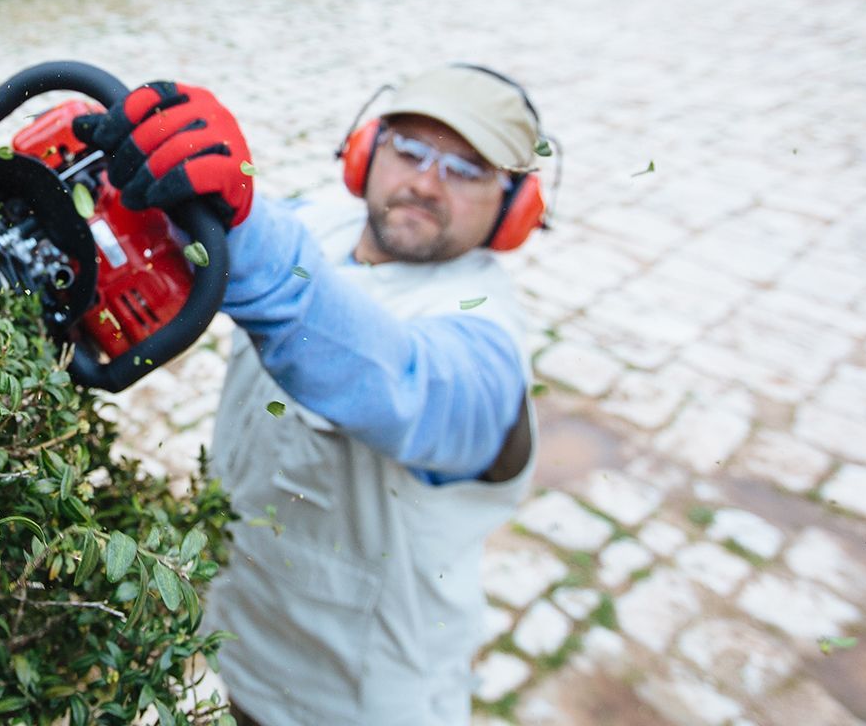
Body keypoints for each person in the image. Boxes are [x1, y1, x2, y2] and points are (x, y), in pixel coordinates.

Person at [73, 65, 547, 724]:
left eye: (468, 169)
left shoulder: (486, 342)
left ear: (514, 205)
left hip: (356, 698)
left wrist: (242, 225)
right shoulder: (321, 223)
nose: (426, 182)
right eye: (410, 148)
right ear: (365, 151)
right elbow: (201, 242)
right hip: (238, 633)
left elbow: (401, 380)